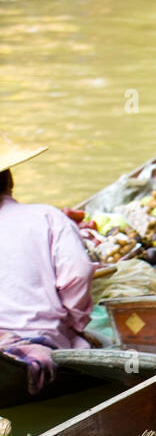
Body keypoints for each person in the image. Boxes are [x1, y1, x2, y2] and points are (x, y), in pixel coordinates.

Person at [0, 132, 96, 393]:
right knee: (94, 344)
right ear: (10, 180)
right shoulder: (46, 217)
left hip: (17, 343)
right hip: (42, 337)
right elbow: (78, 272)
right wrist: (76, 322)